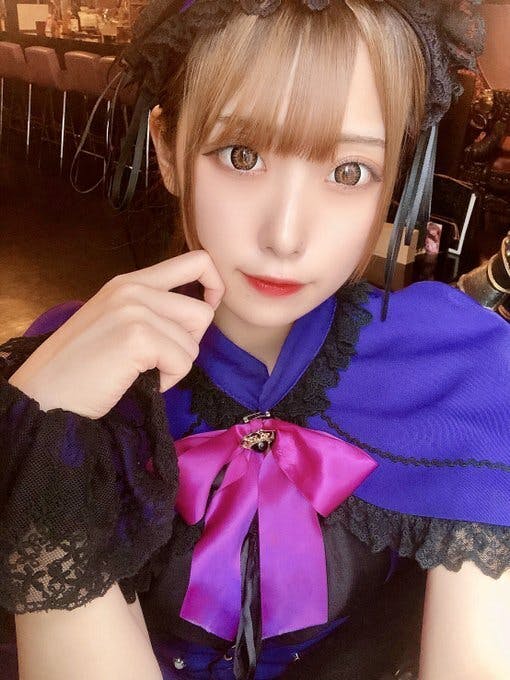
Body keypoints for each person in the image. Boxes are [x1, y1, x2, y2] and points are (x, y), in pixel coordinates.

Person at [1, 1, 509, 679]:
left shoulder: (457, 367)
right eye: (242, 156)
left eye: (349, 171)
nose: (286, 236)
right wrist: (45, 433)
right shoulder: (69, 370)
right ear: (167, 149)